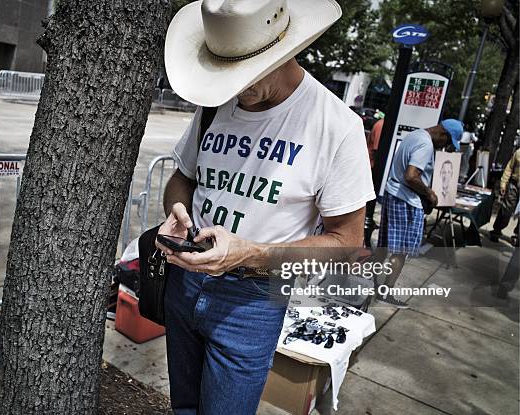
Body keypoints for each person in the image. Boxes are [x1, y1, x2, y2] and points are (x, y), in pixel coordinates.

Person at [157, 1, 375, 413]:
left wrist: (254, 254)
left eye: (244, 74)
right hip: (184, 283)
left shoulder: (336, 126)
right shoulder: (215, 105)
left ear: (284, 50)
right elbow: (182, 178)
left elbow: (347, 243)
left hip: (253, 299)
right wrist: (177, 212)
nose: (234, 88)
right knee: (183, 407)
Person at [377, 119, 462, 308]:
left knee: (384, 244)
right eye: (447, 143)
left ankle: (370, 283)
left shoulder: (416, 135)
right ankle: (385, 292)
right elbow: (411, 175)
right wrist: (429, 193)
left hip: (394, 193)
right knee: (401, 251)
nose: (445, 148)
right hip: (406, 200)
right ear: (443, 134)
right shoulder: (425, 144)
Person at [490, 148, 519, 245]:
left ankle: (517, 235)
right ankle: (496, 230)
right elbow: (509, 168)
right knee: (506, 209)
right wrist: (503, 183)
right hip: (514, 184)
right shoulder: (518, 152)